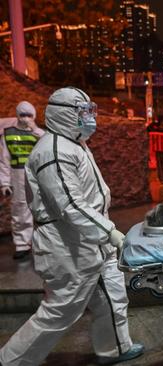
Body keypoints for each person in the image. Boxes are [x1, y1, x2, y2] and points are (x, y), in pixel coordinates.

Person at [0, 88, 144, 365]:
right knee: (60, 311)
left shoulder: (73, 143)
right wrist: (110, 232)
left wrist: (104, 233)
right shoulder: (53, 151)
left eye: (90, 111)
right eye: (83, 112)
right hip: (67, 245)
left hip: (90, 240)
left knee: (113, 297)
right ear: (65, 114)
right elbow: (70, 205)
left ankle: (115, 347)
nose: (90, 117)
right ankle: (10, 361)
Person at [0, 101, 44, 260]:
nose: (25, 118)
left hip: (37, 175)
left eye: (29, 115)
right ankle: (22, 244)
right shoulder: (8, 133)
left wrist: (35, 129)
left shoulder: (38, 133)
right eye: (22, 115)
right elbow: (3, 159)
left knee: (43, 209)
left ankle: (43, 243)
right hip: (17, 175)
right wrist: (4, 182)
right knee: (19, 210)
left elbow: (49, 143)